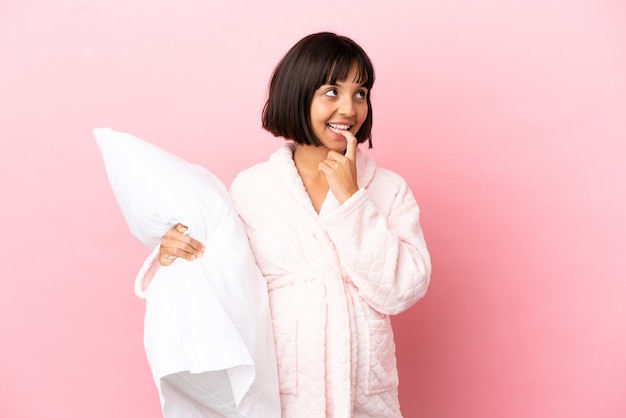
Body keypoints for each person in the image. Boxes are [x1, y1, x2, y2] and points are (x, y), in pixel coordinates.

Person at [152, 32, 431, 417]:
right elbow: (219, 278)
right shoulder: (254, 189)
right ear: (298, 94)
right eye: (332, 91)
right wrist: (174, 254)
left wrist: (351, 201)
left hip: (364, 401)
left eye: (361, 92)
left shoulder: (387, 189)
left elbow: (402, 289)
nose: (349, 108)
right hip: (285, 397)